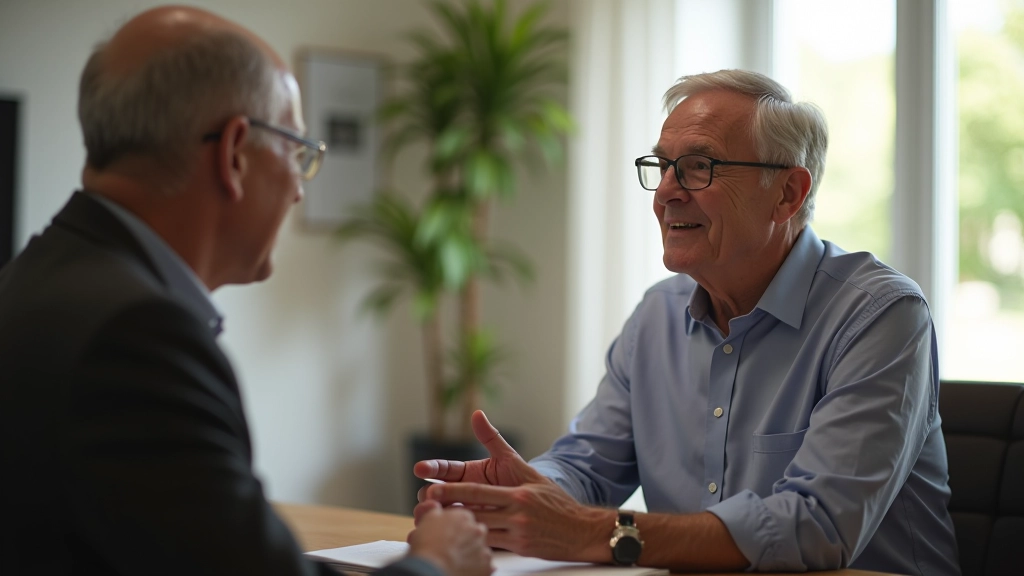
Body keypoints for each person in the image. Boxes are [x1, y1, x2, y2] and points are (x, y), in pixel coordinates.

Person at [0, 6, 492, 576]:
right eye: (297, 153)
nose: (298, 194)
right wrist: (437, 562)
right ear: (234, 153)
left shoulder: (27, 283)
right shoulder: (137, 338)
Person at [413, 70, 961, 575]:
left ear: (788, 194)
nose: (667, 192)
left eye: (700, 167)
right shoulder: (657, 314)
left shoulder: (879, 315)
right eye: (663, 166)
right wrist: (530, 493)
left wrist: (591, 532)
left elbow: (814, 529)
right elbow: (588, 467)